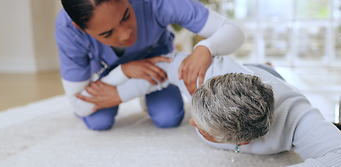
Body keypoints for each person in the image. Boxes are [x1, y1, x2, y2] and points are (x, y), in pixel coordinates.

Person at [104, 52, 341, 167]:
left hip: (274, 82)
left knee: (271, 73)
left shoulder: (298, 116)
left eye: (202, 128)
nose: (192, 125)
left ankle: (267, 65)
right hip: (245, 71)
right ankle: (260, 64)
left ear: (243, 142)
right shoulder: (204, 74)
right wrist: (113, 86)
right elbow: (162, 64)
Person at [55, 0, 244, 130]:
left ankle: (147, 94)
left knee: (168, 118)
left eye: (126, 16)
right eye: (107, 33)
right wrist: (124, 72)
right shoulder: (68, 29)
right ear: (80, 28)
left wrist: (205, 48)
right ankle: (139, 87)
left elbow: (233, 32)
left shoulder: (157, 3)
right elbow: (78, 104)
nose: (125, 35)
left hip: (158, 61)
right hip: (109, 73)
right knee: (98, 122)